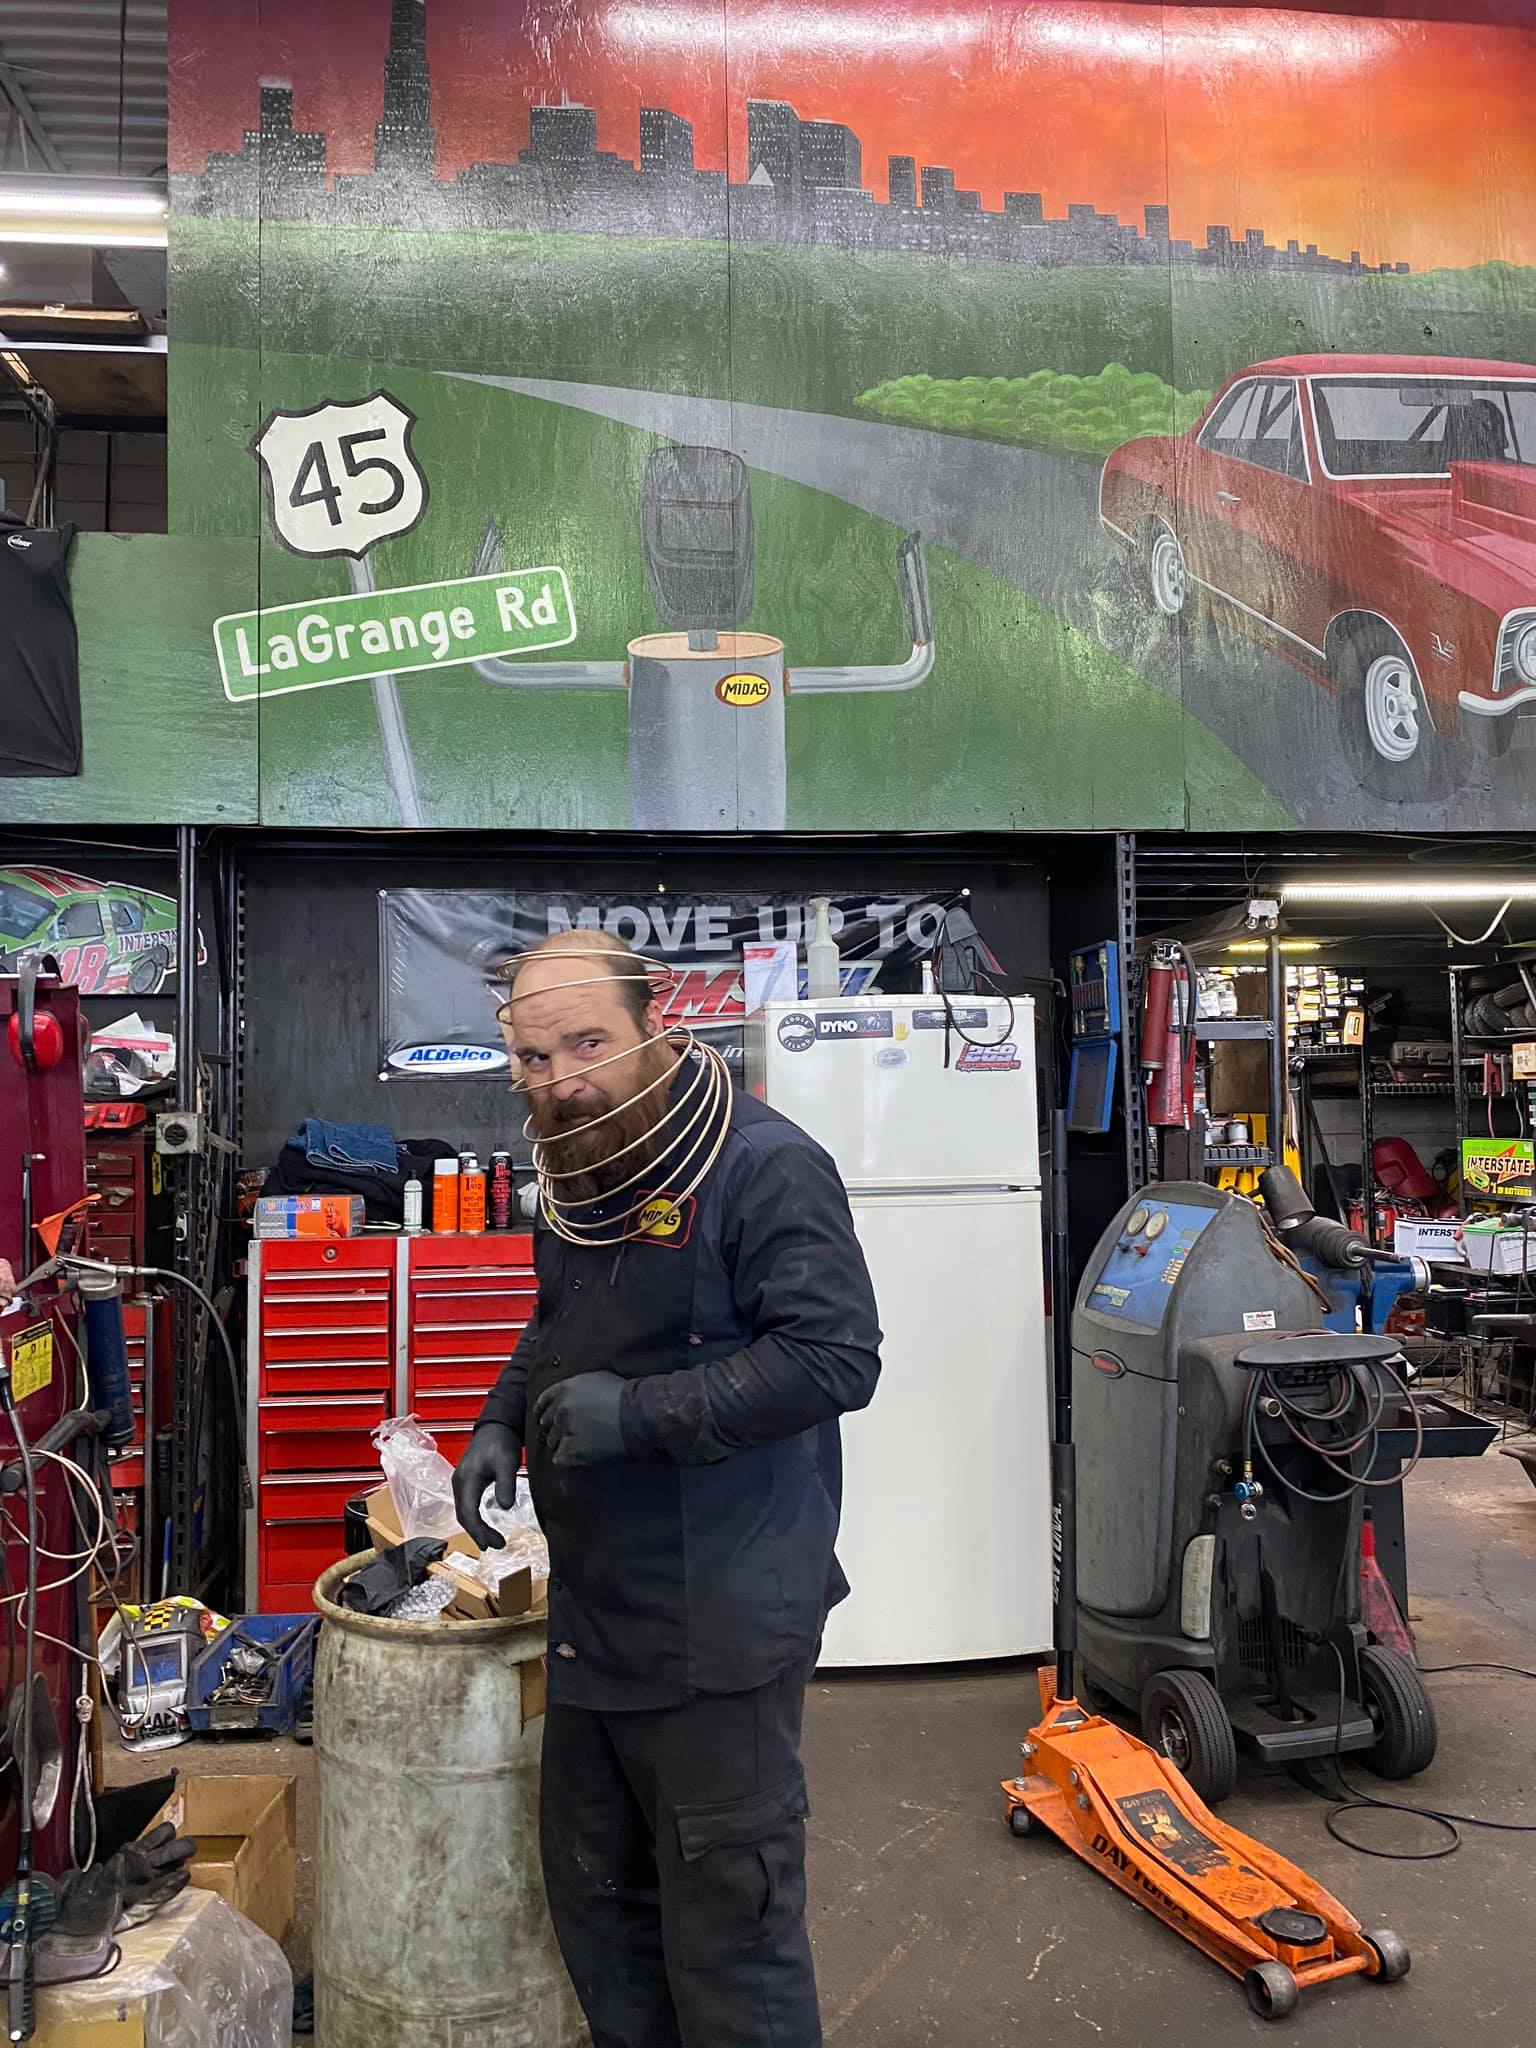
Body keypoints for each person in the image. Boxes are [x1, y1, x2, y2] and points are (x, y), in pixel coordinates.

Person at [452, 930, 881, 2048]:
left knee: (730, 1941)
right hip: (597, 1621)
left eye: (588, 1043)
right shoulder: (577, 1163)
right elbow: (557, 1319)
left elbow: (835, 1358)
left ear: (658, 1026)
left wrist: (637, 1416)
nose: (564, 1079)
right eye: (536, 1057)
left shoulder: (763, 1165)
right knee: (604, 1916)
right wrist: (503, 1416)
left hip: (719, 1629)